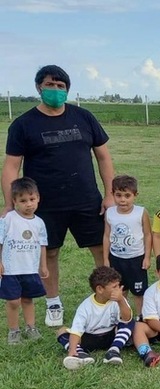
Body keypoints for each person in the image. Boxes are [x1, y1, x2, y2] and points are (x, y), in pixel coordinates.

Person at [2, 65, 115, 328]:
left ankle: (107, 296)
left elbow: (103, 156)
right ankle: (53, 302)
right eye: (49, 85)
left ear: (67, 89)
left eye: (60, 86)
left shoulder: (84, 117)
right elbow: (10, 167)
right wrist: (10, 204)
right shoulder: (23, 124)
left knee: (100, 247)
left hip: (86, 198)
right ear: (38, 88)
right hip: (44, 205)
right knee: (48, 252)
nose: (55, 90)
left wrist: (108, 194)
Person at [56, 266, 133, 370]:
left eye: (118, 285)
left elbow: (127, 318)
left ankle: (114, 350)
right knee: (61, 331)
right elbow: (76, 331)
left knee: (131, 322)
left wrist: (121, 301)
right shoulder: (85, 307)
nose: (119, 289)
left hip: (111, 335)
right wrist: (72, 349)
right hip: (90, 339)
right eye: (114, 287)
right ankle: (80, 353)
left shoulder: (118, 300)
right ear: (100, 289)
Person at [0, 177, 48, 343]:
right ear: (14, 201)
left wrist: (43, 266)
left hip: (30, 268)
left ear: (38, 198)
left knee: (28, 299)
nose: (29, 204)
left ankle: (31, 327)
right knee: (13, 301)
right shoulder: (7, 219)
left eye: (32, 199)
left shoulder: (40, 223)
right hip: (11, 269)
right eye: (23, 200)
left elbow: (42, 245)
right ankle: (14, 331)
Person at [103, 175, 151, 315]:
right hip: (116, 258)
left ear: (135, 195)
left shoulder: (141, 212)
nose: (123, 200)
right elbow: (107, 236)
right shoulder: (110, 212)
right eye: (118, 195)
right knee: (120, 289)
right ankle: (123, 316)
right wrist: (106, 258)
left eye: (127, 195)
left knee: (138, 291)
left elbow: (148, 235)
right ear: (113, 194)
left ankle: (140, 316)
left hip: (136, 259)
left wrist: (147, 257)